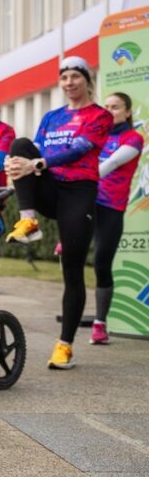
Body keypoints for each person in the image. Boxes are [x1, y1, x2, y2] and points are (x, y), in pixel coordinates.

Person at [4, 56, 112, 370]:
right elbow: (35, 149)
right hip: (50, 187)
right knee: (20, 145)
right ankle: (29, 220)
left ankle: (65, 345)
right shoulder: (52, 117)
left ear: (86, 80)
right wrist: (17, 165)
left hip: (78, 194)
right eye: (63, 78)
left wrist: (36, 165)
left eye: (74, 77)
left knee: (73, 271)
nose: (68, 83)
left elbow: (78, 150)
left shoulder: (99, 116)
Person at [91, 92, 144, 345]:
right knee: (73, 259)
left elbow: (110, 164)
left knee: (102, 262)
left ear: (127, 111)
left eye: (116, 107)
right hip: (85, 203)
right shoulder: (96, 137)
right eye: (107, 106)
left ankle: (100, 323)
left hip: (111, 206)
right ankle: (65, 239)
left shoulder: (133, 138)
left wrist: (84, 178)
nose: (110, 111)